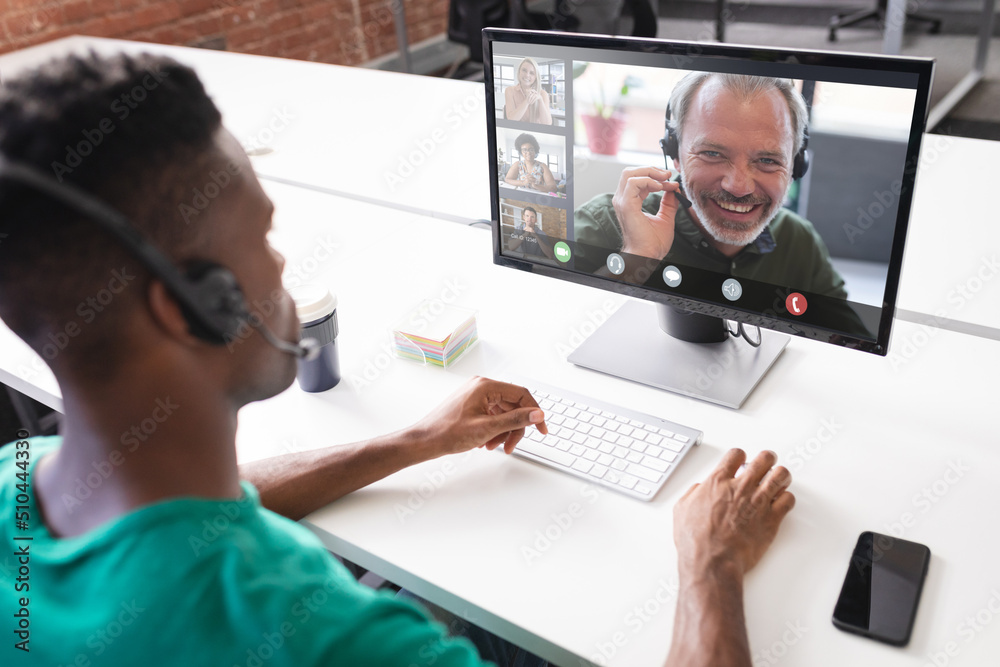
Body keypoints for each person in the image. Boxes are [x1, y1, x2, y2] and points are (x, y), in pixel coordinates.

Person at [0, 53, 794, 667]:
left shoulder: (18, 481)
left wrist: (412, 442)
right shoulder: (343, 640)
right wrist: (711, 565)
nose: (283, 267)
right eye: (265, 239)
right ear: (200, 305)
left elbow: (187, 521)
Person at [574, 72, 847, 301]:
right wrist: (636, 259)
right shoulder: (603, 223)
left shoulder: (800, 241)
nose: (738, 187)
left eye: (767, 160)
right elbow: (553, 334)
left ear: (795, 167)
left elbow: (851, 345)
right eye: (712, 154)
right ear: (675, 154)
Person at [503, 58, 553, 125]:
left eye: (532, 73)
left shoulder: (543, 94)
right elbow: (511, 119)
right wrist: (527, 101)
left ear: (535, 77)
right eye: (524, 70)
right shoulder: (510, 90)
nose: (527, 75)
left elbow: (547, 124)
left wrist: (540, 100)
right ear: (519, 72)